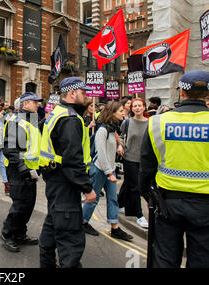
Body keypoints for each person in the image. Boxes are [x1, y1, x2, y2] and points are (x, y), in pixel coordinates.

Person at [139, 70, 209, 268]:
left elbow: (146, 165)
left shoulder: (158, 122)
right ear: (207, 94)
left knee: (165, 258)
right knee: (202, 259)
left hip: (168, 202)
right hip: (204, 204)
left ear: (182, 93)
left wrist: (146, 192)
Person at [38, 77, 96, 268]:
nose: (86, 96)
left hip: (56, 180)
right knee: (70, 240)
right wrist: (87, 188)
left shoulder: (58, 113)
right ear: (72, 93)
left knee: (52, 227)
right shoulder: (70, 119)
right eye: (83, 92)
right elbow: (72, 159)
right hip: (65, 182)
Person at [81, 101, 133, 241]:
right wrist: (109, 173)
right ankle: (83, 222)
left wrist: (118, 145)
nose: (123, 112)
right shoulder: (102, 130)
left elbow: (116, 146)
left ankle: (114, 227)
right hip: (100, 170)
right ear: (112, 112)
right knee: (93, 198)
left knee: (112, 199)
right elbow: (101, 154)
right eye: (121, 110)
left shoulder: (112, 129)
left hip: (110, 169)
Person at [0, 92, 42, 253]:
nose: (38, 105)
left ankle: (20, 234)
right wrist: (23, 167)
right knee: (19, 205)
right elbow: (10, 149)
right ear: (25, 105)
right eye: (34, 102)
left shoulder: (31, 122)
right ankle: (7, 235)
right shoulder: (17, 122)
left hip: (30, 172)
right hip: (18, 171)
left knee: (28, 205)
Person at [118, 98, 149, 228]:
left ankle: (119, 204)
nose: (137, 108)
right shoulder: (127, 122)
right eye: (134, 106)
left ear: (144, 107)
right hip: (129, 158)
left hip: (145, 159)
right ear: (131, 108)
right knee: (135, 187)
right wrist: (120, 146)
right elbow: (120, 136)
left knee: (128, 183)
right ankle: (139, 215)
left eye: (139, 106)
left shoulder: (151, 123)